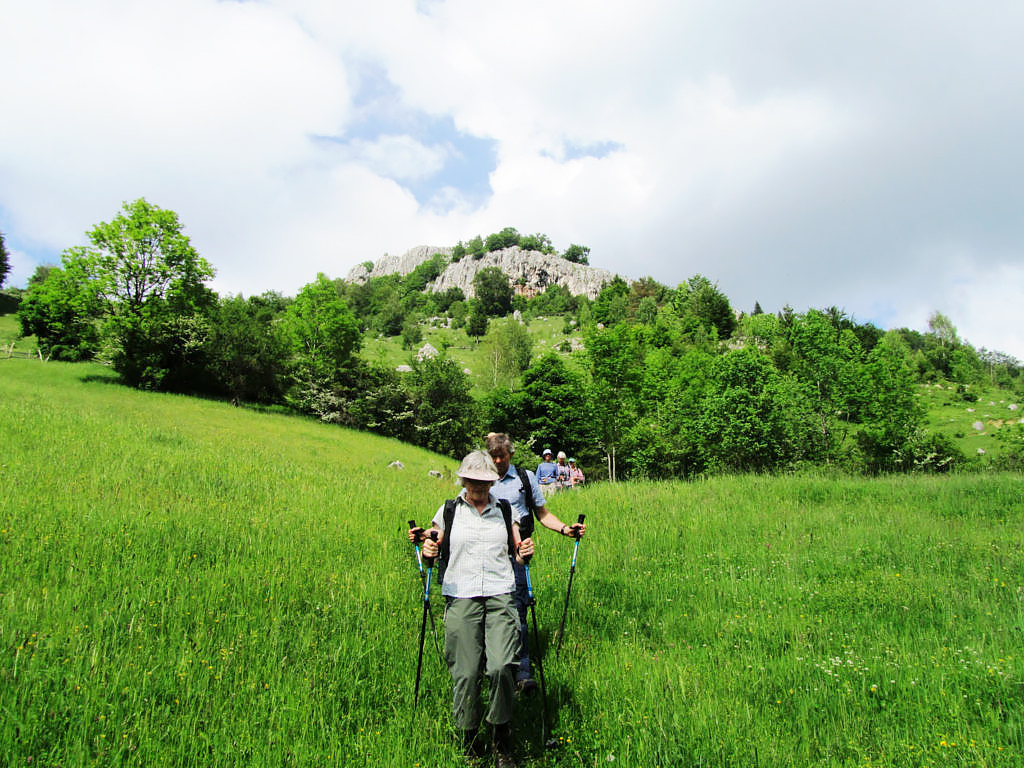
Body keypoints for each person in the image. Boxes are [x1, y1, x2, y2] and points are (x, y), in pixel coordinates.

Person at [414, 450, 533, 767]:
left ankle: (501, 737)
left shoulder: (505, 510)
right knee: (465, 672)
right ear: (463, 480)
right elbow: (432, 545)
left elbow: (517, 553)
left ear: (493, 481)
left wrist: (524, 552)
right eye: (472, 480)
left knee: (502, 667)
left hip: (500, 593)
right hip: (461, 594)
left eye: (485, 480)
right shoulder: (449, 510)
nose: (478, 486)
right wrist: (427, 550)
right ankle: (469, 738)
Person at [485, 433, 586, 694]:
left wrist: (565, 529)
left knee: (519, 609)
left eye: (502, 456)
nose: (498, 461)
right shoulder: (480, 477)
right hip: (485, 554)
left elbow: (542, 514)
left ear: (510, 455)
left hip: (519, 552)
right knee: (486, 610)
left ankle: (522, 671)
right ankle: (490, 668)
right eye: (493, 456)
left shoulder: (524, 478)